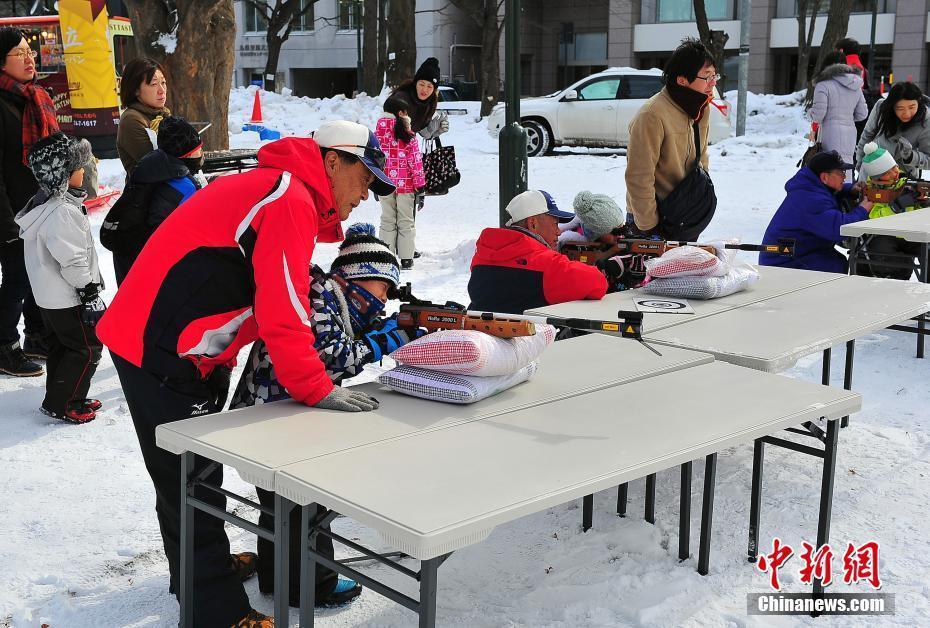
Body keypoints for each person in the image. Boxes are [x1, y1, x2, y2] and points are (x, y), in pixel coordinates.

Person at [95, 120, 396, 627]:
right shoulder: (288, 197)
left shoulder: (281, 191)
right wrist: (316, 388)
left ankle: (197, 570)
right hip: (158, 348)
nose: (366, 194)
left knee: (192, 475)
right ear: (331, 162)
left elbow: (251, 294)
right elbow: (284, 306)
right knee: (187, 478)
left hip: (176, 346)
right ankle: (213, 610)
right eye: (364, 178)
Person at [230, 223, 420, 611]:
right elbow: (336, 355)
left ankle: (277, 576)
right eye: (383, 290)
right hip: (274, 415)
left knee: (280, 501)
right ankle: (311, 585)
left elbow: (346, 336)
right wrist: (391, 339)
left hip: (276, 411)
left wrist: (386, 327)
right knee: (304, 501)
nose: (384, 301)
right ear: (359, 279)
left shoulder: (332, 298)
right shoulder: (319, 298)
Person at [14, 133, 103, 423]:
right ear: (63, 175)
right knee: (87, 348)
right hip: (67, 295)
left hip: (50, 296)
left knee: (63, 347)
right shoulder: (61, 212)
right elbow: (72, 258)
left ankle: (65, 394)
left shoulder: (49, 205)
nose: (85, 172)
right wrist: (87, 289)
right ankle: (65, 403)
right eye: (80, 168)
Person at [0, 27, 55, 376]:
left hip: (41, 207)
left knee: (41, 274)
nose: (29, 58)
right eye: (19, 53)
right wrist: (6, 223)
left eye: (29, 52)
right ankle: (5, 345)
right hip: (11, 212)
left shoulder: (36, 98)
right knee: (18, 278)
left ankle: (37, 335)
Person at [625, 38, 716, 241]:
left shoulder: (700, 108)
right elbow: (639, 176)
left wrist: (700, 198)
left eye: (714, 76)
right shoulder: (652, 115)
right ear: (682, 80)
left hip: (683, 215)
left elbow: (702, 156)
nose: (713, 83)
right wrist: (649, 226)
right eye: (707, 77)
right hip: (650, 220)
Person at [468, 190, 608, 314]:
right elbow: (598, 283)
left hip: (487, 337)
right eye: (555, 223)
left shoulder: (481, 257)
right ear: (533, 223)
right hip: (530, 340)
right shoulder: (547, 265)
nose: (559, 231)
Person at [103, 115, 204, 284]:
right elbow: (194, 231)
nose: (202, 154)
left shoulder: (150, 168)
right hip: (162, 268)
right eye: (199, 149)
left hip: (132, 259)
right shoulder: (185, 185)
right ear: (186, 153)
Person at [759, 151, 872, 273]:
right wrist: (863, 209)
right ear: (824, 177)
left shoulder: (810, 188)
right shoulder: (811, 200)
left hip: (797, 252)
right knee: (835, 267)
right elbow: (840, 228)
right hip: (783, 263)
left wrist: (850, 189)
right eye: (840, 173)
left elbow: (828, 194)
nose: (844, 177)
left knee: (837, 262)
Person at [854, 141, 923, 279]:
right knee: (885, 255)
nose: (894, 173)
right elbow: (873, 216)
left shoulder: (907, 183)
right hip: (885, 237)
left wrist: (923, 202)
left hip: (912, 234)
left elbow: (919, 210)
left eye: (894, 167)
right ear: (877, 178)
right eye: (887, 172)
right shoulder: (871, 191)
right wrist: (895, 206)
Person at [375, 96, 426, 269]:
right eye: (406, 112)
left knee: (387, 219)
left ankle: (385, 255)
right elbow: (416, 163)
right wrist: (420, 186)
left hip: (384, 184)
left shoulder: (376, 136)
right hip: (406, 186)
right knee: (406, 220)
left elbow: (373, 160)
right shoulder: (408, 136)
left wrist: (374, 182)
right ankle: (406, 258)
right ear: (400, 113)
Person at [809, 51, 868, 180]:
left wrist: (810, 113)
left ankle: (831, 197)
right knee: (846, 166)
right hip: (850, 132)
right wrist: (847, 118)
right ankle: (846, 194)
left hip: (830, 131)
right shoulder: (855, 85)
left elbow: (818, 115)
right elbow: (862, 114)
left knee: (829, 167)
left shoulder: (823, 85)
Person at [855, 82, 930, 180]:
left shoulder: (926, 121)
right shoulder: (881, 108)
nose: (906, 113)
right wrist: (860, 163)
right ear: (892, 105)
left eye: (912, 107)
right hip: (872, 173)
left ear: (919, 102)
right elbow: (867, 136)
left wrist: (910, 156)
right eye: (900, 108)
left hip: (902, 180)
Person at [116, 57, 169, 178]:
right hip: (150, 194)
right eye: (154, 84)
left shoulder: (162, 114)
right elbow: (158, 166)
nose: (161, 90)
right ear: (135, 90)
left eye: (163, 82)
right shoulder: (131, 120)